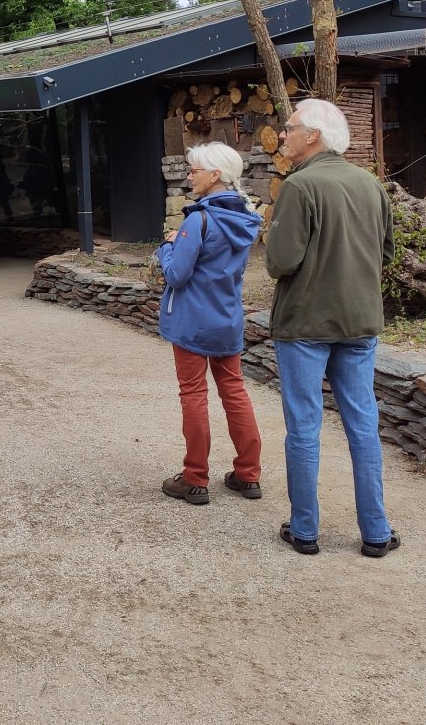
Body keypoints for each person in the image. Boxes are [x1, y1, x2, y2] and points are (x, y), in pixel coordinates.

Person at [266, 98, 398, 558]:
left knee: (304, 427)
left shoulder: (300, 187)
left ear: (313, 136)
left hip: (305, 322)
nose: (282, 134)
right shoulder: (371, 185)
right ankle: (376, 532)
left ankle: (305, 531)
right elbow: (386, 253)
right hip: (361, 320)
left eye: (289, 127)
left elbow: (281, 262)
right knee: (363, 425)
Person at [156, 142, 265, 506]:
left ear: (215, 174)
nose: (190, 176)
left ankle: (194, 478)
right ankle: (248, 475)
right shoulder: (245, 219)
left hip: (192, 323)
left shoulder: (198, 219)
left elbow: (177, 274)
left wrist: (168, 246)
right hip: (227, 319)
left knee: (193, 394)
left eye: (195, 170)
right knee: (234, 392)